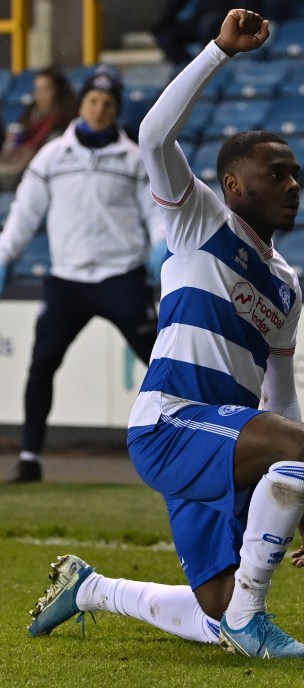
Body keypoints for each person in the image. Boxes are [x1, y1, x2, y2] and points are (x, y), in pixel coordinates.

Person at [25, 9, 304, 659]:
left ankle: (92, 589)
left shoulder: (287, 284)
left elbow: (283, 395)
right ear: (232, 183)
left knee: (213, 614)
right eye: (276, 173)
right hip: (169, 426)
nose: (292, 184)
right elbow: (155, 133)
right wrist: (218, 50)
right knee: (301, 450)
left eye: (294, 172)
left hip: (221, 441)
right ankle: (253, 622)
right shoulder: (198, 221)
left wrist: (301, 488)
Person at [0, 65, 164, 484]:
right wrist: (3, 256)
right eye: (93, 100)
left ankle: (190, 450)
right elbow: (23, 214)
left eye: (108, 103)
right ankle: (30, 457)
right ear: (83, 103)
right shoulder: (52, 157)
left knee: (166, 363)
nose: (99, 108)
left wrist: (161, 251)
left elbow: (155, 214)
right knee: (41, 366)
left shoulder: (133, 158)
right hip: (66, 280)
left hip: (122, 278)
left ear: (116, 109)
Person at [0, 67, 76, 190]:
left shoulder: (63, 121)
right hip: (16, 166)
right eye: (37, 89)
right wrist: (10, 141)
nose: (39, 95)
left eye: (45, 89)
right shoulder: (31, 113)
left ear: (58, 91)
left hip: (34, 173)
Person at [151, 0, 262, 65]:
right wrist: (161, 24)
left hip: (228, 20)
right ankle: (185, 67)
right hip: (200, 20)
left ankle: (209, 66)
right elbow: (176, 4)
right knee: (166, 34)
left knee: (208, 24)